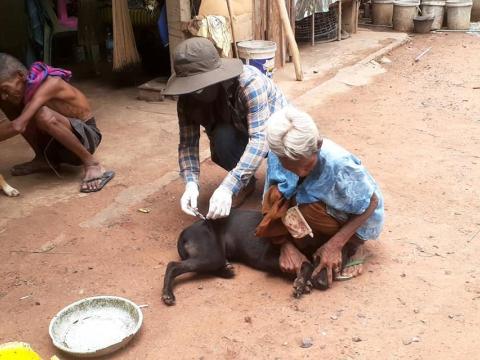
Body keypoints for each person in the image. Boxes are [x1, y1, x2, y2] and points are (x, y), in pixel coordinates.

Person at [256, 106, 384, 288]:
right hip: (308, 204)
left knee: (309, 210)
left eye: (307, 166)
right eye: (291, 167)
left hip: (349, 216)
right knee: (276, 195)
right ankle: (310, 244)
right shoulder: (279, 155)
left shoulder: (339, 164)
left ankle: (353, 246)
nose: (300, 172)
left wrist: (335, 245)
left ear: (318, 146)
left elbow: (372, 202)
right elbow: (271, 198)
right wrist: (285, 245)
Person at [162, 37, 287, 219]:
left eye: (200, 86)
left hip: (275, 131)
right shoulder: (187, 101)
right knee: (222, 137)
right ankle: (246, 182)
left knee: (284, 187)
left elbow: (261, 139)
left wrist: (228, 186)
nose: (195, 92)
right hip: (239, 130)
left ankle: (272, 181)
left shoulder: (249, 83)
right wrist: (190, 183)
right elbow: (188, 144)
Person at [0, 54, 114, 192]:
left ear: (20, 75)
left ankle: (92, 164)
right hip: (55, 145)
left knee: (41, 114)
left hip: (87, 138)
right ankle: (44, 159)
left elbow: (18, 125)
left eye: (5, 89)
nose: (4, 95)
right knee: (10, 105)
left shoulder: (51, 84)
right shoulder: (22, 93)